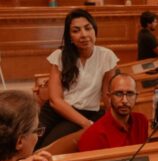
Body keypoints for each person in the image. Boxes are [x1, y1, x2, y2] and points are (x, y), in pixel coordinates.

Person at [37, 8, 119, 149]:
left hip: (86, 112)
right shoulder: (60, 55)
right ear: (69, 37)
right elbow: (55, 100)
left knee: (46, 149)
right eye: (76, 31)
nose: (84, 35)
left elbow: (107, 96)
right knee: (28, 142)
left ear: (95, 30)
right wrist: (86, 124)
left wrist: (115, 121)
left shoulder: (107, 56)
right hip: (56, 111)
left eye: (88, 28)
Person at [78, 73, 148, 151]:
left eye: (130, 94)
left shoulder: (141, 121)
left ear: (136, 96)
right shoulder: (92, 135)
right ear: (109, 97)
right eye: (118, 94)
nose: (124, 100)